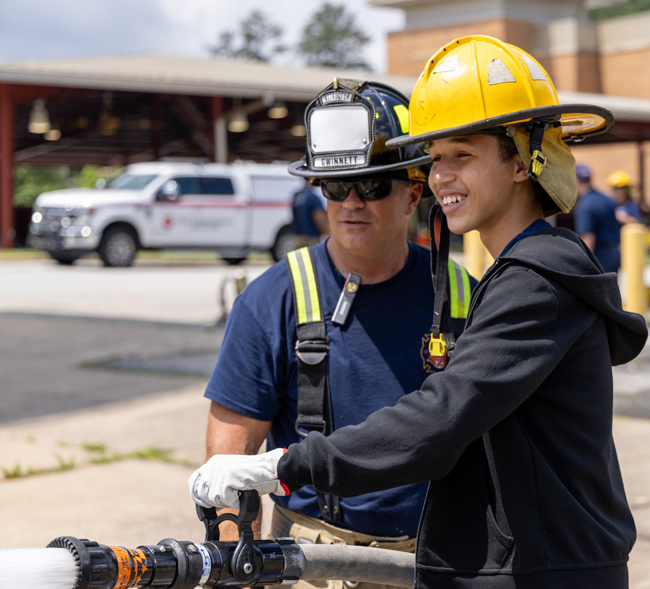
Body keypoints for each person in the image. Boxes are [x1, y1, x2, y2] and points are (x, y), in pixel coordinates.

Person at [190, 37, 648, 589]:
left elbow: (440, 418)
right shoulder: (522, 275)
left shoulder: (530, 283)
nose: (441, 177)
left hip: (536, 569)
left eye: (463, 155)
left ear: (525, 161)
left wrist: (281, 465)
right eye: (435, 159)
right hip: (434, 562)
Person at [195, 79, 475, 588]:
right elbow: (227, 468)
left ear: (414, 192)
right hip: (312, 563)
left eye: (370, 186)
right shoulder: (271, 301)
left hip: (438, 561)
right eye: (334, 187)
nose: (351, 202)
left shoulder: (463, 297)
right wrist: (236, 571)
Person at [574, 163, 621, 272]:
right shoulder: (608, 199)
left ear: (577, 181)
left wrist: (585, 267)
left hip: (600, 257)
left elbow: (588, 239)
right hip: (616, 254)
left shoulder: (585, 206)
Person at [292, 180, 330, 249]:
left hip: (297, 240)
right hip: (310, 241)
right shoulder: (313, 198)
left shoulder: (297, 196)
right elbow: (320, 221)